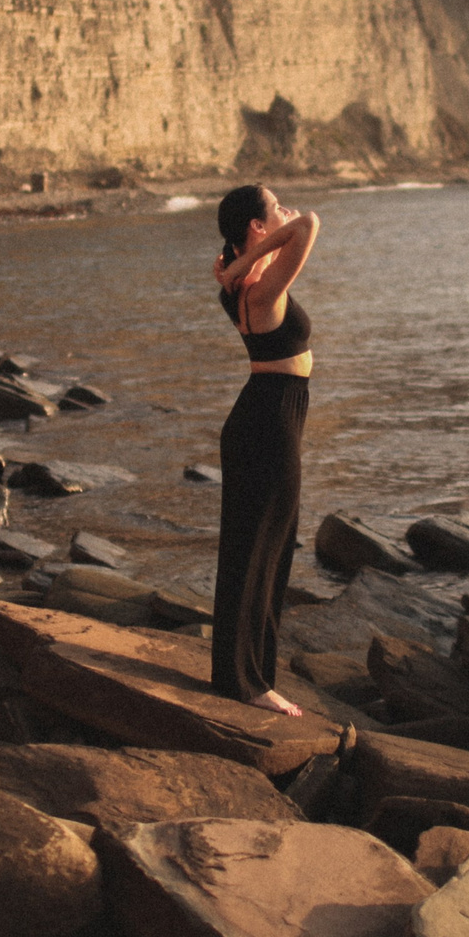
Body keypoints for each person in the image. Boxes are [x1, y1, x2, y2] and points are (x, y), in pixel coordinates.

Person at [209, 184, 320, 716]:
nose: (287, 210)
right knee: (263, 554)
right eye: (275, 207)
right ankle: (250, 685)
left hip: (264, 414)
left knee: (252, 553)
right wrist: (260, 248)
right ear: (256, 227)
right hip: (270, 419)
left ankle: (241, 676)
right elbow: (310, 225)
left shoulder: (239, 280)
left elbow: (287, 228)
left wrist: (246, 255)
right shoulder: (257, 287)